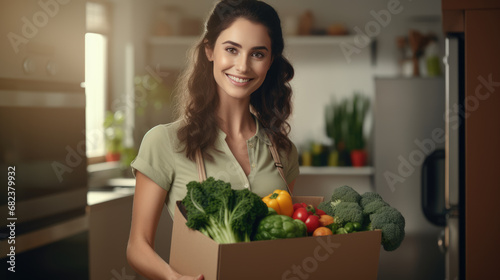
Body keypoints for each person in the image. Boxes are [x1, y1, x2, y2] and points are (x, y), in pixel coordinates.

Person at [126, 0, 299, 279]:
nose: (242, 66)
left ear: (271, 61)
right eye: (231, 49)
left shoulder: (282, 150)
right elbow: (137, 246)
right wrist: (173, 278)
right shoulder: (164, 142)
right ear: (210, 50)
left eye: (257, 53)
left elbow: (288, 236)